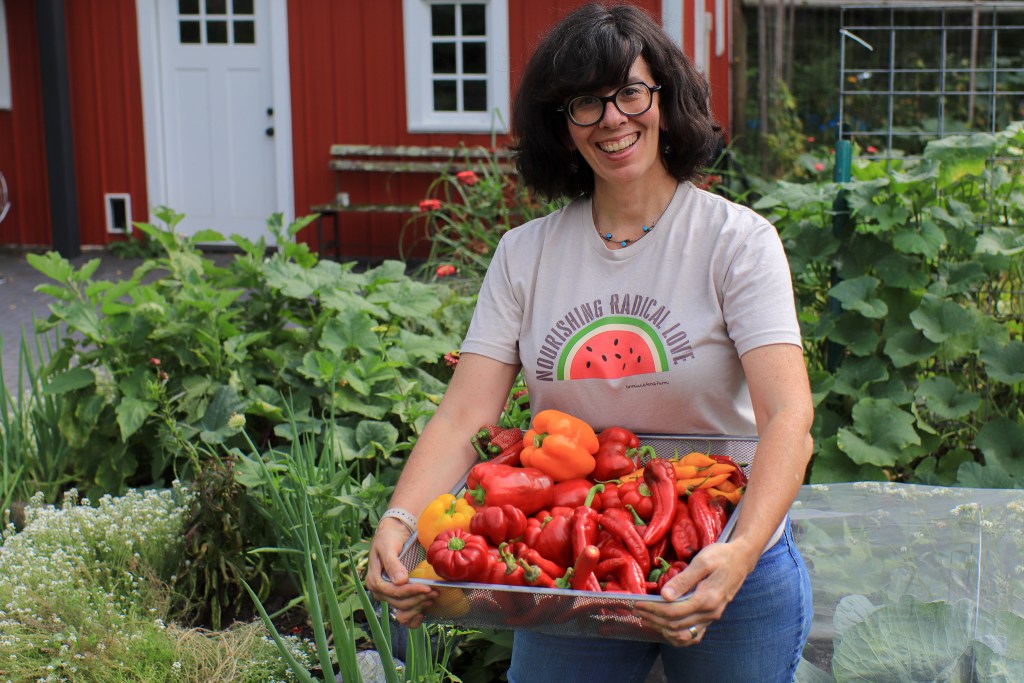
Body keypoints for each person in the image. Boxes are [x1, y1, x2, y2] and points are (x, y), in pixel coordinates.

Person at [366, 3, 814, 681]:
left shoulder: (737, 242)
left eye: (631, 91)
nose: (612, 118)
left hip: (724, 544)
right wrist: (401, 519)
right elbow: (465, 415)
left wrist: (743, 550)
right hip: (578, 551)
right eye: (585, 102)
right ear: (562, 124)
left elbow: (789, 418)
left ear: (665, 100)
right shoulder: (526, 255)